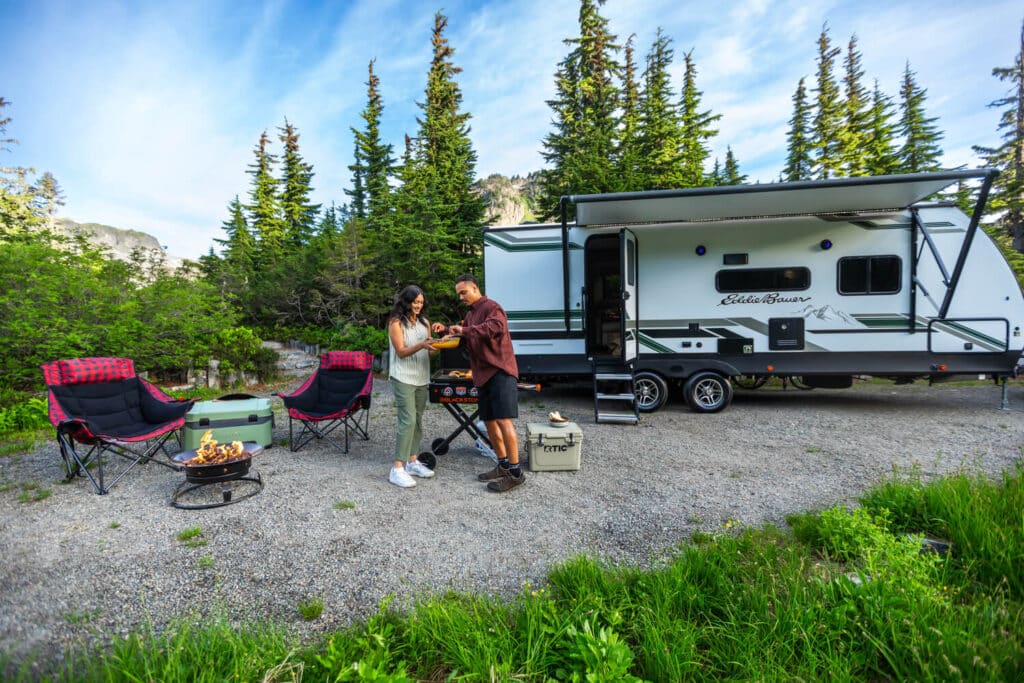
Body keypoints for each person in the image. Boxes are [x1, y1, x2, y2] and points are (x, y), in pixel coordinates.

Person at [433, 274, 524, 492]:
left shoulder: (492, 308)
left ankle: (516, 472)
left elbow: (493, 329)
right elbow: (465, 338)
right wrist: (445, 330)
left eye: (463, 292)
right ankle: (502, 465)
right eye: (458, 294)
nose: (461, 297)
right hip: (482, 374)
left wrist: (463, 329)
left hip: (500, 371)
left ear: (475, 288)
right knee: (490, 421)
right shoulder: (470, 314)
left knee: (503, 421)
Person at [387, 285, 439, 488]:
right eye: (414, 302)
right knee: (407, 420)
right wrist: (422, 345)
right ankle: (397, 468)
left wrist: (439, 341)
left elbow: (430, 351)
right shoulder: (395, 323)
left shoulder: (425, 322)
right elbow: (400, 352)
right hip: (403, 377)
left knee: (417, 421)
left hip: (421, 377)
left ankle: (412, 461)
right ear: (405, 302)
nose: (418, 305)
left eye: (420, 302)